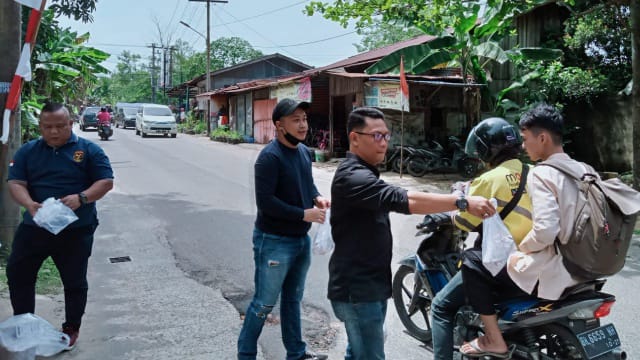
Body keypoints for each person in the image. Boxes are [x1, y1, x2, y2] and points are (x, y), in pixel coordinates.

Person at [328, 107, 496, 360]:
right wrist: (461, 202)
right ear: (354, 138)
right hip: (357, 290)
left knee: (358, 352)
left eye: (386, 135)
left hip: (367, 286)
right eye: (376, 136)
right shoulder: (352, 177)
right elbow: (404, 199)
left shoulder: (365, 172)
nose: (384, 142)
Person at [459, 103, 585, 357]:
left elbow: (545, 231)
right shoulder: (581, 171)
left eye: (526, 139)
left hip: (541, 264)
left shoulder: (541, 173)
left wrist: (520, 252)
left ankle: (493, 338)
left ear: (542, 138)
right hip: (575, 261)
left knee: (468, 266)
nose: (524, 147)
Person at [6, 102, 114, 350]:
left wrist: (81, 198)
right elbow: (16, 182)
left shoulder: (89, 151)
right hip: (35, 227)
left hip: (76, 229)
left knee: (74, 280)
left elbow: (105, 181)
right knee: (18, 273)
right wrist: (30, 204)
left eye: (59, 126)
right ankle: (24, 322)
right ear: (40, 126)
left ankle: (71, 327)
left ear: (71, 124)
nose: (53, 132)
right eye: (47, 127)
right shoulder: (28, 151)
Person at [430, 117, 533, 359]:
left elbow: (464, 222)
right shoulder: (534, 172)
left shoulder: (488, 180)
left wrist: (456, 200)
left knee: (440, 307)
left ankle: (490, 339)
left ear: (486, 150)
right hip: (535, 259)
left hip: (503, 265)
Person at [237, 98, 330, 360]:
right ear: (279, 125)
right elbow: (266, 203)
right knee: (264, 304)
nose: (303, 125)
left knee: (293, 300)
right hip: (274, 241)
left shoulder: (302, 151)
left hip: (300, 240)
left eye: (304, 119)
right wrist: (304, 214)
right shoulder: (269, 157)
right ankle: (246, 355)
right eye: (296, 120)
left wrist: (317, 198)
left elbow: (307, 184)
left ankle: (296, 353)